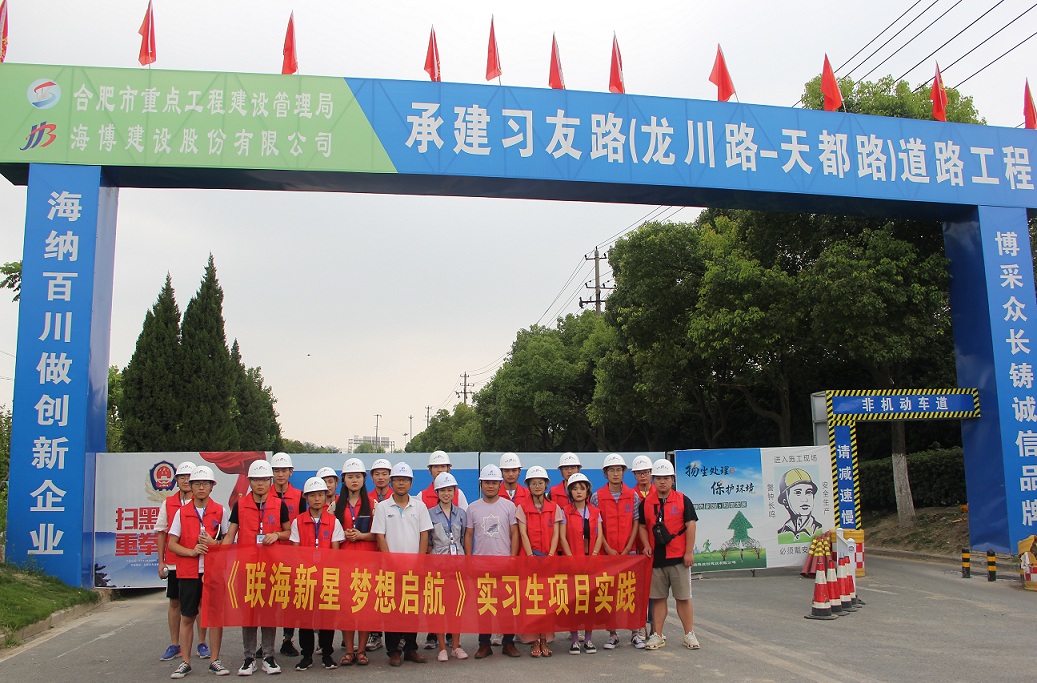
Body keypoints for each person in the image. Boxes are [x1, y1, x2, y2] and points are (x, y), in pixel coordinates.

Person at [221, 460, 290, 676]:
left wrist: (276, 534)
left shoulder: (279, 505)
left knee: (269, 612)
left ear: (270, 481)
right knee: (249, 614)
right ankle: (249, 658)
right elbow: (230, 535)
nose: (260, 484)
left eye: (264, 480)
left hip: (271, 568)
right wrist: (219, 560)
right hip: (247, 568)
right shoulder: (240, 505)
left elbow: (288, 532)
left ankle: (268, 656)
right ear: (249, 481)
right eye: (256, 480)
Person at [167, 466, 230, 678]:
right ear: (191, 486)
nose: (201, 487)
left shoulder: (220, 511)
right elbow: (172, 544)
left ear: (212, 486)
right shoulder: (182, 512)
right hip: (188, 572)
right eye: (197, 484)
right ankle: (185, 661)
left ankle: (215, 660)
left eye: (205, 484)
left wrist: (214, 543)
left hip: (214, 572)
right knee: (187, 616)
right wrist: (191, 551)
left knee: (215, 618)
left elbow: (229, 542)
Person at [371, 462, 432, 667]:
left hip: (414, 567)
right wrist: (389, 563)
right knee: (392, 610)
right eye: (397, 480)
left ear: (411, 483)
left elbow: (424, 534)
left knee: (412, 609)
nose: (401, 483)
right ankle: (394, 651)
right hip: (391, 568)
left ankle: (411, 649)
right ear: (392, 482)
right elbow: (380, 536)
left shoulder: (419, 506)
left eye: (405, 480)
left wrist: (420, 561)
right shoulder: (383, 507)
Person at [638, 459, 700, 651]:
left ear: (673, 479)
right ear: (653, 480)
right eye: (658, 478)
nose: (662, 481)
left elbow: (691, 525)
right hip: (656, 559)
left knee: (683, 597)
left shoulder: (683, 500)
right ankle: (657, 634)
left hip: (679, 558)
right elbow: (642, 526)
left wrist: (688, 552)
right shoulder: (646, 503)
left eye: (666, 478)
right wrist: (646, 545)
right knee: (658, 598)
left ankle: (689, 633)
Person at [156, 461, 210, 663]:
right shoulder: (169, 503)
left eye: (189, 477)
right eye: (182, 477)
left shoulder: (205, 504)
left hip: (199, 563)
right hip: (174, 563)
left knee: (201, 603)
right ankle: (174, 644)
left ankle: (202, 643)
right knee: (175, 602)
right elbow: (162, 533)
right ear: (176, 480)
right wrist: (161, 561)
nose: (186, 480)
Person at [289, 477, 346, 671]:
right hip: (305, 576)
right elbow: (295, 551)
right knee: (305, 618)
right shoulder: (298, 521)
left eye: (320, 495)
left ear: (325, 496)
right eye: (312, 495)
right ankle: (306, 655)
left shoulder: (333, 521)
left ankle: (327, 654)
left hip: (327, 577)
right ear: (306, 498)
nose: (316, 499)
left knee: (327, 617)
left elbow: (335, 552)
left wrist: (326, 573)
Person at [466, 465, 521, 660]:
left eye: (494, 483)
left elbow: (515, 534)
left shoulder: (509, 506)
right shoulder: (472, 507)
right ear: (481, 484)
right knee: (484, 606)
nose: (490, 486)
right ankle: (484, 644)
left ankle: (508, 643)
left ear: (500, 484)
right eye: (487, 482)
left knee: (507, 606)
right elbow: (468, 534)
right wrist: (469, 559)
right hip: (481, 565)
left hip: (504, 563)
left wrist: (512, 558)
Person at [419, 451, 468, 650]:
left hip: (457, 560)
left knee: (456, 599)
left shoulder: (460, 497)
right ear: (430, 470)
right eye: (436, 467)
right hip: (436, 559)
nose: (439, 470)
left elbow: (464, 531)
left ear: (449, 468)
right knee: (436, 599)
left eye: (443, 466)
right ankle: (434, 635)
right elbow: (424, 533)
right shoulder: (421, 496)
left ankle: (452, 638)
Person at [591, 453, 639, 651]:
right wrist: (608, 549)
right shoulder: (597, 497)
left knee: (630, 593)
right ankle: (612, 634)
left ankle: (635, 632)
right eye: (611, 470)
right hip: (607, 553)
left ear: (624, 472)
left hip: (629, 553)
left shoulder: (633, 495)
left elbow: (636, 523)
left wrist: (627, 548)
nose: (616, 473)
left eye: (619, 470)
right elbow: (596, 527)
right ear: (605, 473)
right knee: (609, 593)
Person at [515, 465, 562, 657]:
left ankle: (545, 640)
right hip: (529, 560)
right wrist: (530, 556)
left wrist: (550, 555)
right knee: (531, 600)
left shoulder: (554, 507)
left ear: (546, 485)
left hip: (549, 560)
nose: (537, 486)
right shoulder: (522, 507)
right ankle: (534, 641)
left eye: (540, 483)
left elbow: (557, 534)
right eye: (533, 483)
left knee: (548, 601)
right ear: (528, 485)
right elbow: (523, 533)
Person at [334, 458, 376, 666]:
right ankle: (349, 651)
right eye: (350, 477)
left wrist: (361, 536)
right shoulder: (336, 504)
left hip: (367, 560)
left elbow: (378, 534)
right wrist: (344, 535)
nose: (354, 480)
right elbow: (330, 533)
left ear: (364, 479)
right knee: (346, 607)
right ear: (343, 480)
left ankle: (361, 650)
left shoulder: (373, 503)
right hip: (344, 560)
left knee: (364, 606)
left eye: (358, 476)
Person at [558, 472, 603, 655]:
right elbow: (562, 537)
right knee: (574, 602)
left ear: (587, 492)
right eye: (575, 489)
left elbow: (600, 536)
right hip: (572, 562)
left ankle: (589, 639)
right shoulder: (565, 511)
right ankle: (575, 640)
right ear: (570, 492)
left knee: (590, 602)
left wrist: (594, 556)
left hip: (591, 562)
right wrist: (570, 559)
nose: (578, 492)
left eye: (582, 489)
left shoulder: (595, 512)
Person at [269, 452, 303, 658]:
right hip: (269, 555)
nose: (280, 474)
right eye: (276, 471)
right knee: (269, 599)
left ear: (291, 472)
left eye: (284, 470)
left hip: (291, 554)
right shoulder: (263, 494)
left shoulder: (300, 496)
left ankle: (287, 639)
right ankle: (266, 644)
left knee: (290, 600)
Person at [365, 458, 392, 653]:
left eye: (384, 473)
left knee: (392, 594)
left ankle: (396, 634)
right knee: (373, 595)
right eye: (377, 474)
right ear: (371, 476)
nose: (381, 477)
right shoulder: (366, 498)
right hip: (371, 554)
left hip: (393, 554)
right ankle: (375, 634)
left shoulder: (398, 496)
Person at [629, 454, 655, 648]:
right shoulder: (631, 495)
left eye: (645, 472)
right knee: (637, 591)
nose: (642, 476)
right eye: (639, 473)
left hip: (656, 550)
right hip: (637, 551)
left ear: (651, 473)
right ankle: (638, 628)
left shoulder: (660, 492)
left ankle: (654, 628)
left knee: (654, 591)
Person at [776, 468, 822, 541]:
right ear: (785, 501)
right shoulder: (780, 533)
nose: (805, 499)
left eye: (809, 492)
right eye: (798, 493)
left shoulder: (821, 531)